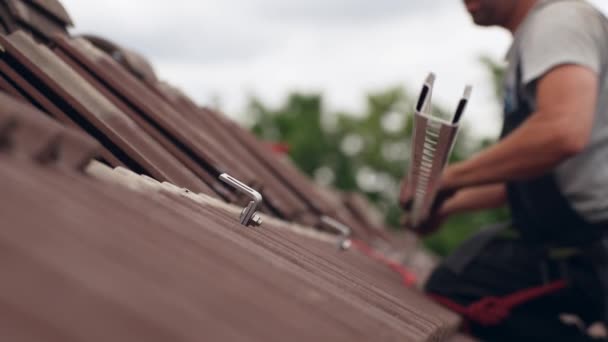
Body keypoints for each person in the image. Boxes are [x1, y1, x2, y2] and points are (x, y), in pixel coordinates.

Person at [400, 0, 608, 340]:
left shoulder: (559, 22)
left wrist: (446, 178)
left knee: (459, 289)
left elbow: (562, 132)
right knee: (459, 280)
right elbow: (532, 176)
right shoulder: (541, 38)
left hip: (593, 244)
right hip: (582, 243)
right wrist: (446, 202)